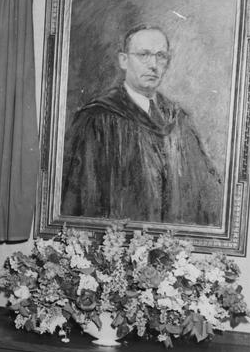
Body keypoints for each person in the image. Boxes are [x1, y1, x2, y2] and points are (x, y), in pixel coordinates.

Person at [61, 24, 223, 225]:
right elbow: (76, 199)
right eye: (144, 55)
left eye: (160, 56)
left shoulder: (179, 121)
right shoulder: (96, 119)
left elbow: (206, 195)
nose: (153, 65)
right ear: (124, 60)